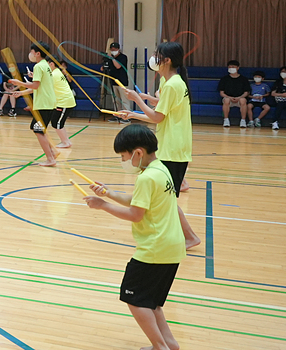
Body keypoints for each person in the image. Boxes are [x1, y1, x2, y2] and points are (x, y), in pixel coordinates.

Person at [82, 125, 185, 350]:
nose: (123, 161)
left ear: (137, 153)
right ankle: (167, 341)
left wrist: (103, 205)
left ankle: (160, 347)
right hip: (171, 246)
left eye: (123, 156)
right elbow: (136, 199)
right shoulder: (160, 169)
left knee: (133, 297)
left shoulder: (147, 177)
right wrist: (108, 193)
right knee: (152, 302)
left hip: (154, 248)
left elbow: (135, 214)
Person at [119, 41, 202, 250]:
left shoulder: (174, 84)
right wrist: (141, 105)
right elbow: (163, 105)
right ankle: (179, 235)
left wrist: (137, 102)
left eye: (158, 54)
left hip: (173, 149)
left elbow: (157, 117)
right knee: (166, 198)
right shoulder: (169, 82)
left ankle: (189, 237)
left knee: (168, 199)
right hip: (169, 146)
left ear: (168, 60)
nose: (154, 58)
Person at [6, 44, 58, 167]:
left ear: (37, 53)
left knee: (38, 130)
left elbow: (35, 86)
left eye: (32, 51)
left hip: (44, 104)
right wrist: (21, 92)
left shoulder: (39, 66)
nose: (31, 54)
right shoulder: (46, 66)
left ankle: (50, 159)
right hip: (48, 103)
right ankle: (53, 152)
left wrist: (19, 83)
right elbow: (38, 87)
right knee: (38, 129)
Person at [51, 59, 77, 150]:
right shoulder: (57, 72)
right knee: (58, 122)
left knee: (56, 122)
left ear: (52, 64)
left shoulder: (54, 74)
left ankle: (65, 142)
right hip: (63, 101)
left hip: (64, 102)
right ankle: (66, 141)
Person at [217, 61, 250, 128]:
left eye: (233, 67)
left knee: (243, 100)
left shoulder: (243, 79)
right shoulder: (224, 79)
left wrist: (239, 97)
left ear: (238, 68)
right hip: (228, 98)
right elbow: (222, 93)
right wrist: (229, 97)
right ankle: (226, 120)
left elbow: (246, 92)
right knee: (226, 100)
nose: (231, 68)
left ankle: (243, 120)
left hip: (240, 98)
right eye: (230, 67)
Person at [100, 42, 129, 115]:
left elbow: (118, 66)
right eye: (112, 49)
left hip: (122, 82)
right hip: (113, 81)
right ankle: (117, 115)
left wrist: (112, 58)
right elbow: (103, 68)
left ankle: (127, 116)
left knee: (124, 100)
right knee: (116, 100)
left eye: (115, 49)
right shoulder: (110, 58)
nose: (113, 51)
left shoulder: (123, 57)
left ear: (118, 49)